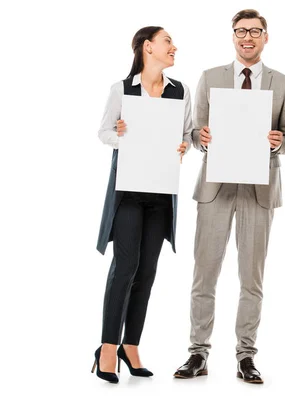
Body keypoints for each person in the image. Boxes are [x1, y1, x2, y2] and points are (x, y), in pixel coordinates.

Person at [173, 9, 285, 383]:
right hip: (216, 188)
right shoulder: (210, 78)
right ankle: (198, 353)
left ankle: (246, 355)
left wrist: (281, 142)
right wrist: (201, 138)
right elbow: (193, 134)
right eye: (241, 31)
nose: (247, 37)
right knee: (204, 272)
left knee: (251, 277)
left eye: (254, 31)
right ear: (233, 36)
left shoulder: (283, 83)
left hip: (260, 189)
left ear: (265, 37)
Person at [93, 26, 192, 383]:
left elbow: (186, 135)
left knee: (147, 271)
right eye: (168, 42)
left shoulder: (180, 90)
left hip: (161, 194)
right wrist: (120, 135)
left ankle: (130, 344)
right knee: (125, 267)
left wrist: (184, 146)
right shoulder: (122, 89)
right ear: (148, 47)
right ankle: (107, 347)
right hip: (129, 192)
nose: (174, 47)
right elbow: (103, 132)